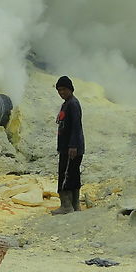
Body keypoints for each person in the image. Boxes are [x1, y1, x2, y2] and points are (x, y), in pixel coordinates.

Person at [52, 75, 84, 215]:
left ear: (70, 89)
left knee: (65, 176)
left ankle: (66, 206)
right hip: (69, 147)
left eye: (64, 89)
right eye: (59, 90)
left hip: (71, 148)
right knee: (73, 175)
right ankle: (75, 205)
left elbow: (76, 127)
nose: (61, 92)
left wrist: (73, 146)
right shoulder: (67, 103)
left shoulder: (73, 104)